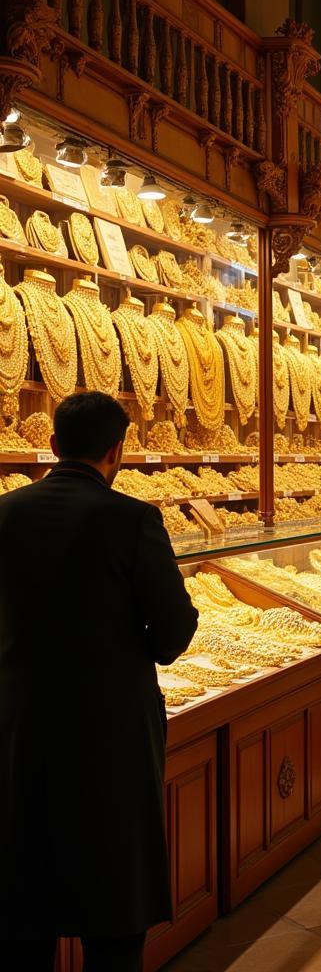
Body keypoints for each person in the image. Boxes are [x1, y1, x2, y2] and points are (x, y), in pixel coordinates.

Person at [0, 392, 199, 971]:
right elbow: (172, 633)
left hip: (20, 728)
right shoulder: (132, 519)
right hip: (109, 738)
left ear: (54, 446)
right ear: (118, 450)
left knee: (23, 900)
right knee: (112, 909)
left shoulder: (5, 514)